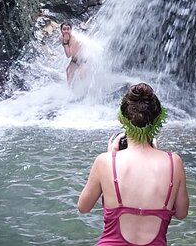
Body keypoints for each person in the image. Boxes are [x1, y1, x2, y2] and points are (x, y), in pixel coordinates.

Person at [77, 83, 189, 246]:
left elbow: (83, 207)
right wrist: (159, 154)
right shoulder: (174, 163)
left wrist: (111, 156)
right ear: (158, 120)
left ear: (122, 119)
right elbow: (182, 213)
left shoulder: (105, 162)